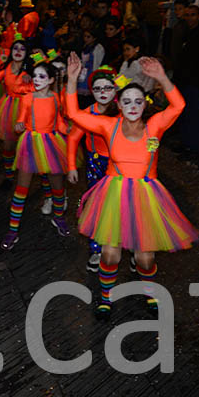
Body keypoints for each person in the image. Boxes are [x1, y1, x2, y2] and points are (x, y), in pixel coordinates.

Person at [65, 53, 199, 319]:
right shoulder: (108, 125)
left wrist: (161, 77)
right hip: (114, 195)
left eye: (138, 101)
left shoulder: (155, 126)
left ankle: (149, 290)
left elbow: (178, 106)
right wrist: (71, 80)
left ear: (144, 104)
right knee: (111, 254)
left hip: (146, 196)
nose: (133, 106)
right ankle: (105, 297)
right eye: (127, 101)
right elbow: (72, 113)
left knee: (145, 258)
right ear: (120, 104)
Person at [1, 60, 70, 250]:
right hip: (30, 143)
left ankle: (59, 218)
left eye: (42, 77)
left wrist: (67, 129)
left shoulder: (56, 98)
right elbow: (21, 119)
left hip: (51, 142)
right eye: (35, 76)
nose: (37, 80)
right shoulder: (27, 98)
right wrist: (19, 125)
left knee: (57, 185)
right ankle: (12, 230)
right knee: (21, 188)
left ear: (50, 80)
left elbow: (59, 122)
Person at [66, 66, 117, 272]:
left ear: (115, 89)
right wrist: (71, 166)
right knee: (96, 206)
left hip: (121, 167)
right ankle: (96, 249)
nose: (103, 92)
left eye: (107, 87)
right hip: (96, 165)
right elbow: (73, 138)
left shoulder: (125, 110)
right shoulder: (87, 114)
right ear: (92, 91)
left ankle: (132, 247)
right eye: (97, 88)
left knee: (125, 206)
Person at [172, 5, 199, 159]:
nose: (190, 18)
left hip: (194, 81)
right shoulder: (184, 32)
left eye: (193, 15)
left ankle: (194, 147)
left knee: (194, 115)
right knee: (183, 113)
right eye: (187, 15)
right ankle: (185, 142)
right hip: (183, 79)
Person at [0, 38, 33, 188]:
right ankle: (8, 175)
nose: (18, 52)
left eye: (22, 49)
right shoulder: (6, 68)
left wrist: (31, 77)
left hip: (25, 109)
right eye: (15, 48)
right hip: (7, 108)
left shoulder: (31, 71)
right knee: (8, 145)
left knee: (25, 146)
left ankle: (26, 176)